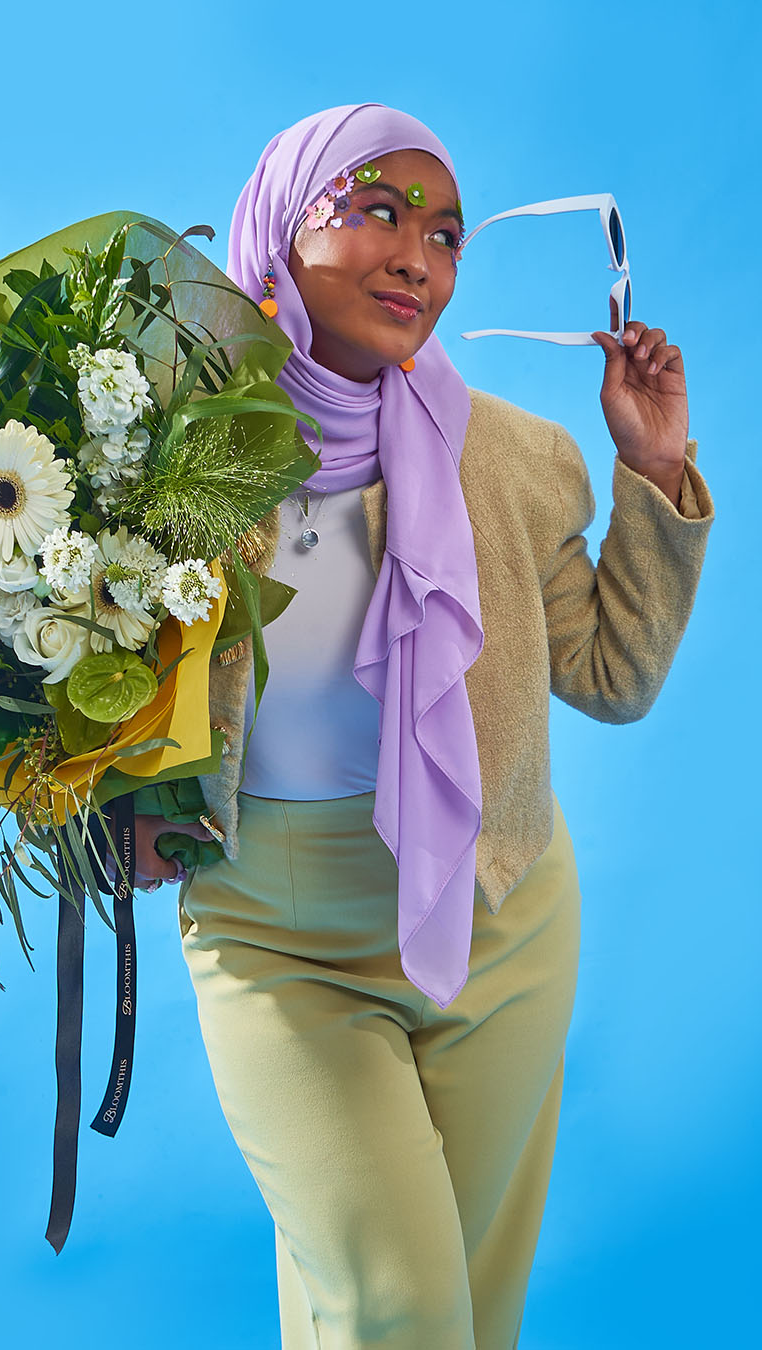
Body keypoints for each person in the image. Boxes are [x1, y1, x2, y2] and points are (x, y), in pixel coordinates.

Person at [133, 104, 714, 1349]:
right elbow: (62, 675)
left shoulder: (510, 456)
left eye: (445, 235)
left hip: (498, 919)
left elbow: (613, 673)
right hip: (274, 931)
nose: (418, 259)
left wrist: (654, 472)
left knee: (460, 1318)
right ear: (282, 227)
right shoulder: (161, 451)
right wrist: (112, 814)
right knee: (400, 1313)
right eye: (378, 213)